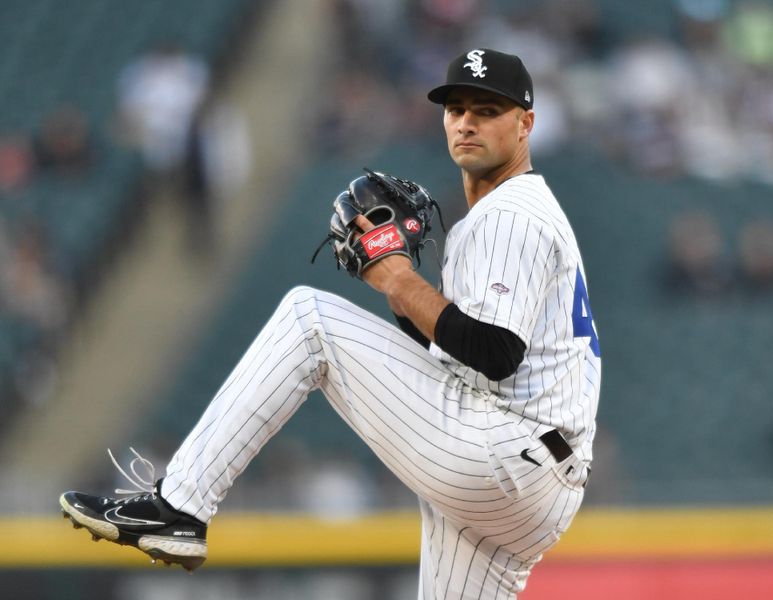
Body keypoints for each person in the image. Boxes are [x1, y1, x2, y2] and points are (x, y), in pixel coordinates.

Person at [60, 48, 601, 599]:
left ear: (525, 122)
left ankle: (179, 506)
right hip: (531, 480)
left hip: (508, 455)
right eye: (455, 107)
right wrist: (403, 293)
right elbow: (466, 355)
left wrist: (396, 278)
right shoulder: (508, 213)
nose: (465, 121)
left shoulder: (510, 214)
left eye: (487, 109)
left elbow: (494, 351)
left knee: (308, 319)